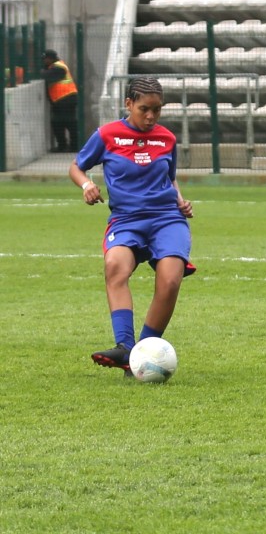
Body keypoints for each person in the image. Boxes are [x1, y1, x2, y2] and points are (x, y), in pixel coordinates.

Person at [69, 76, 196, 376]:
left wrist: (180, 199)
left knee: (170, 281)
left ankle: (142, 353)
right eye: (144, 109)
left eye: (157, 110)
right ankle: (125, 348)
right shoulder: (107, 134)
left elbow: (170, 178)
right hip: (126, 219)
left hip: (167, 218)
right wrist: (87, 184)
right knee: (115, 265)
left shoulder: (167, 138)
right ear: (128, 104)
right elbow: (77, 166)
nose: (151, 116)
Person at [43, 48, 79, 152]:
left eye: (45, 59)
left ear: (50, 59)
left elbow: (47, 76)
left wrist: (38, 71)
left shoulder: (59, 67)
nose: (44, 61)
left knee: (68, 123)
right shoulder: (53, 66)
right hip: (60, 100)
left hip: (66, 98)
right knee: (59, 123)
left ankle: (72, 146)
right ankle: (64, 146)